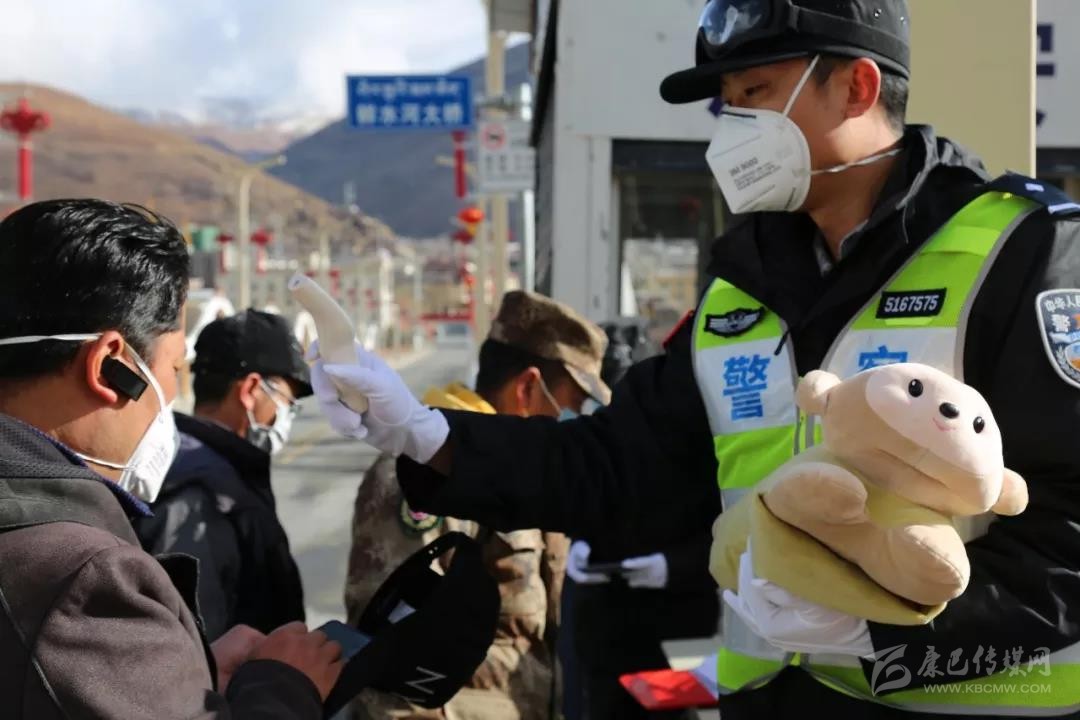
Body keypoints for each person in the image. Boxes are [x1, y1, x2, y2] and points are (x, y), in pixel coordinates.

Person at [310, 1, 1080, 717]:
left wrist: (878, 634)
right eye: (728, 102)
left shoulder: (1020, 253)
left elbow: (1067, 534)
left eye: (757, 92)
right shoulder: (741, 285)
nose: (735, 124)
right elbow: (615, 466)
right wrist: (424, 433)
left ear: (857, 86)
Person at [0, 199, 341, 719]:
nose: (172, 395)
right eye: (175, 368)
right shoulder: (87, 581)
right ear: (111, 367)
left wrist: (182, 674)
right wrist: (284, 684)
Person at [341, 290, 610, 720]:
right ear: (527, 388)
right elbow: (389, 658)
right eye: (572, 406)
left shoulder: (518, 480)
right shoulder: (424, 475)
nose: (574, 423)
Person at [134, 309, 312, 642]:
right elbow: (194, 648)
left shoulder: (200, 465)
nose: (287, 414)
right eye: (287, 401)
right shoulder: (202, 496)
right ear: (251, 390)